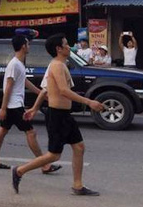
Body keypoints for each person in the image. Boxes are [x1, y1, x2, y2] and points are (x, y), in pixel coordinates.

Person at [13, 33, 105, 196]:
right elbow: (63, 91)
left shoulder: (61, 65)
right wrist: (89, 102)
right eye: (66, 44)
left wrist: (34, 108)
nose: (70, 47)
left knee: (79, 147)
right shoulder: (56, 65)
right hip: (57, 115)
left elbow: (45, 89)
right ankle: (19, 171)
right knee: (54, 155)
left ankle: (78, 185)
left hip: (65, 115)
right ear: (58, 49)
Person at [0, 35, 61, 174]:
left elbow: (25, 82)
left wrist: (41, 94)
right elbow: (8, 87)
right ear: (23, 46)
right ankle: (44, 164)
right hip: (14, 105)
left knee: (3, 130)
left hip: (13, 104)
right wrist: (3, 108)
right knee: (31, 132)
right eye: (28, 44)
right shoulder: (15, 64)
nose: (29, 46)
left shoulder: (19, 64)